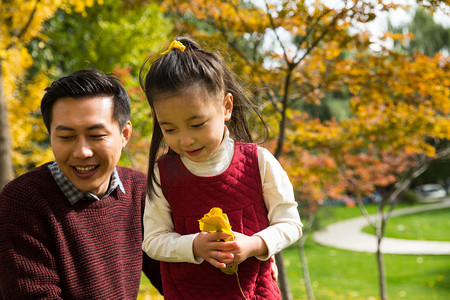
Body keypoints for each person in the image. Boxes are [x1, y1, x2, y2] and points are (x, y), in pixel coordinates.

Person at [140, 37, 303, 299]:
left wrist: (253, 244)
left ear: (226, 106)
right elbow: (153, 240)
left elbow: (290, 224)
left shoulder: (258, 162)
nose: (185, 139)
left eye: (197, 124)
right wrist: (195, 245)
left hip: (255, 293)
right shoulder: (165, 173)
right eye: (169, 129)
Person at [0, 69, 163, 299]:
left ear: (124, 134)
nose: (82, 152)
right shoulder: (24, 201)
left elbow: (175, 278)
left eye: (96, 136)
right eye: (66, 137)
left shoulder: (138, 191)